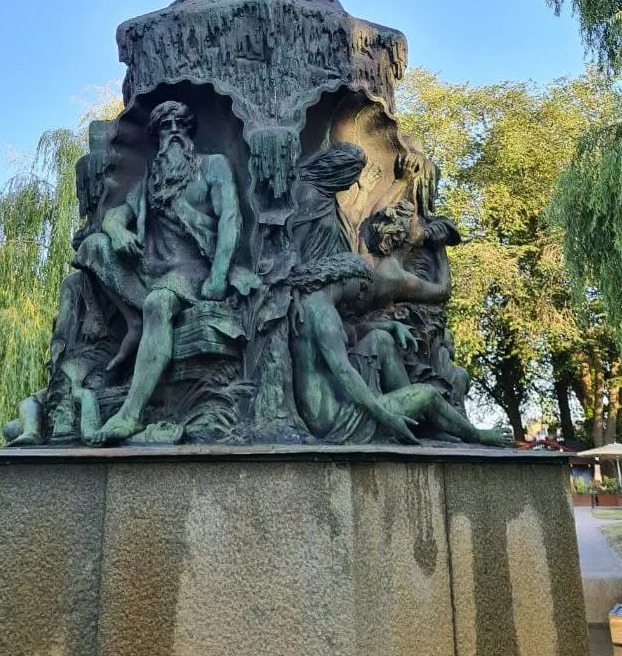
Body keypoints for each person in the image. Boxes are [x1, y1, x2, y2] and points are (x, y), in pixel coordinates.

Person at [84, 100, 242, 443]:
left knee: (157, 303)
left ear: (189, 133)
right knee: (93, 246)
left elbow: (230, 219)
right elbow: (114, 216)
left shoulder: (213, 166)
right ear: (156, 137)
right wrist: (117, 231)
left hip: (193, 269)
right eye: (165, 127)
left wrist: (218, 276)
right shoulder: (152, 181)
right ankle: (133, 320)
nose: (173, 132)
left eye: (179, 126)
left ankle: (131, 415)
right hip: (151, 268)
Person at [289, 251, 510, 448]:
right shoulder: (325, 315)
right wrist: (386, 417)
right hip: (334, 416)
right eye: (363, 287)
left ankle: (417, 418)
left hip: (326, 404)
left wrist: (390, 325)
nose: (361, 295)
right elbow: (345, 372)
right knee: (428, 394)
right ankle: (477, 435)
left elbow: (349, 334)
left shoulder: (315, 303)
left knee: (382, 339)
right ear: (347, 277)